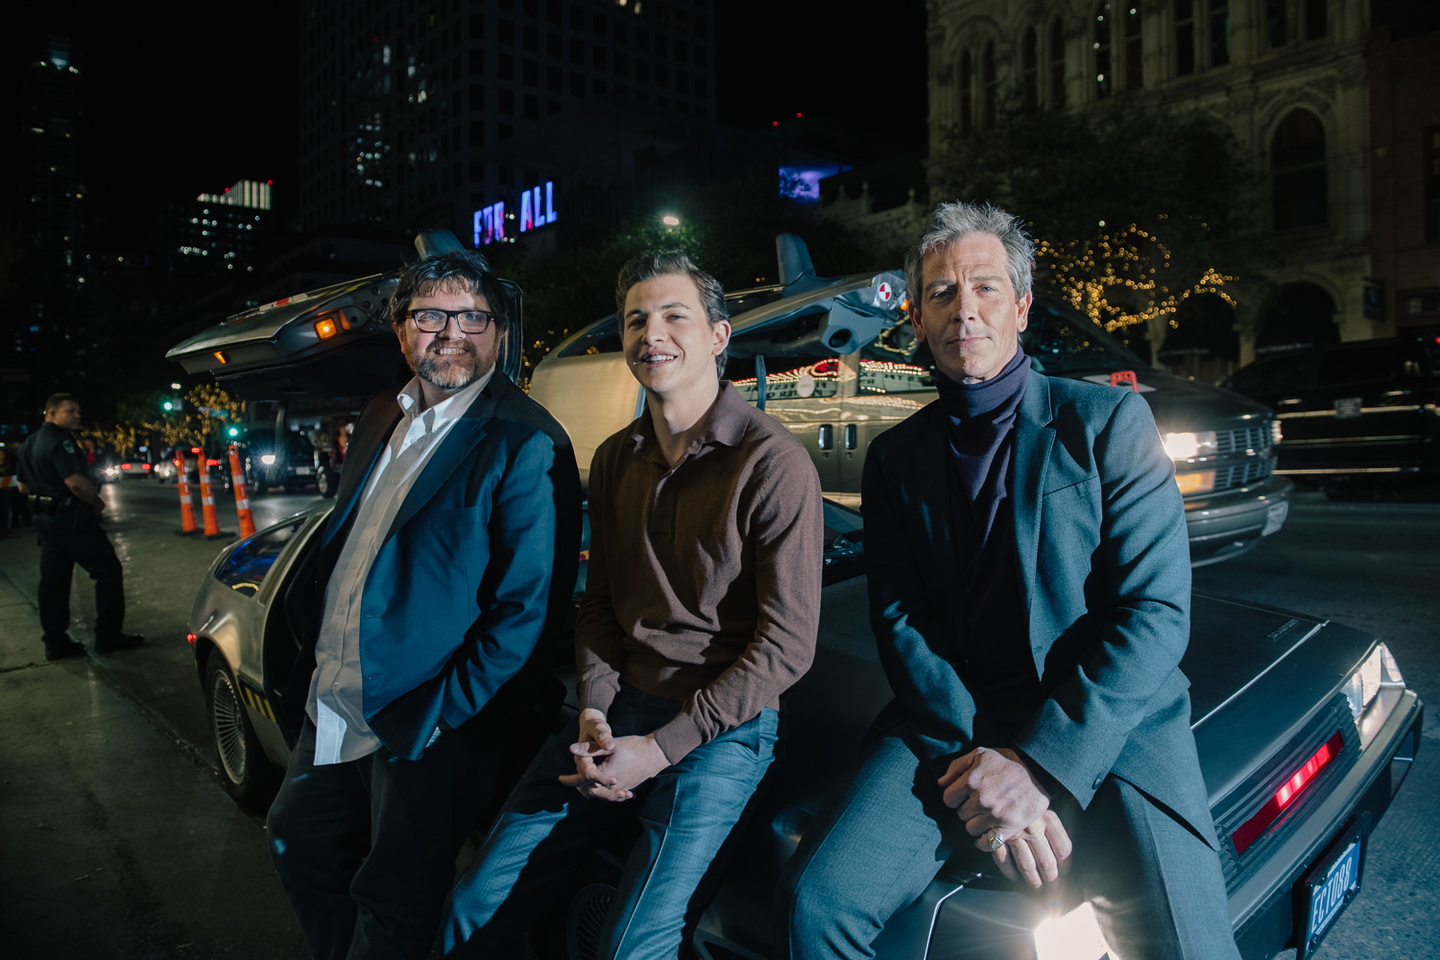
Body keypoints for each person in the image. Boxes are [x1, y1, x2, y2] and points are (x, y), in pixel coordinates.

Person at [777, 202, 1241, 960]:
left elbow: (1154, 613)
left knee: (1191, 948)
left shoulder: (1107, 422)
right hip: (953, 726)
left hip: (1104, 724)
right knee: (813, 904)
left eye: (986, 288)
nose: (966, 311)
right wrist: (977, 770)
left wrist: (1036, 766)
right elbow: (901, 618)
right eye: (941, 294)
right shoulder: (896, 459)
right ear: (919, 324)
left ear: (1021, 307)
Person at [443, 251, 824, 960]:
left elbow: (786, 647)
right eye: (636, 319)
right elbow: (598, 605)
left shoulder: (772, 461)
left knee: (629, 947)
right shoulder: (615, 457)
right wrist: (593, 709)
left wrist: (659, 751)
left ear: (718, 335)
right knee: (475, 901)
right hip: (616, 713)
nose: (653, 332)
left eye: (675, 315)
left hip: (724, 731)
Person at [264, 248, 581, 960]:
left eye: (473, 316)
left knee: (396, 898)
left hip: (426, 719)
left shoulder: (526, 439)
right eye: (430, 315)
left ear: (498, 330)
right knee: (299, 843)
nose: (451, 333)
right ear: (402, 329)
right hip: (340, 698)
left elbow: (527, 613)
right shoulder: (384, 413)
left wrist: (442, 718)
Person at [15, 393, 142, 660]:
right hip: (70, 518)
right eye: (70, 411)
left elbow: (22, 486)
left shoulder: (28, 443)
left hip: (45, 520)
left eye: (78, 411)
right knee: (107, 571)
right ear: (51, 413)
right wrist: (96, 503)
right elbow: (74, 482)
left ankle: (55, 642)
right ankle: (108, 636)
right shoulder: (61, 441)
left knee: (54, 582)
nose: (77, 416)